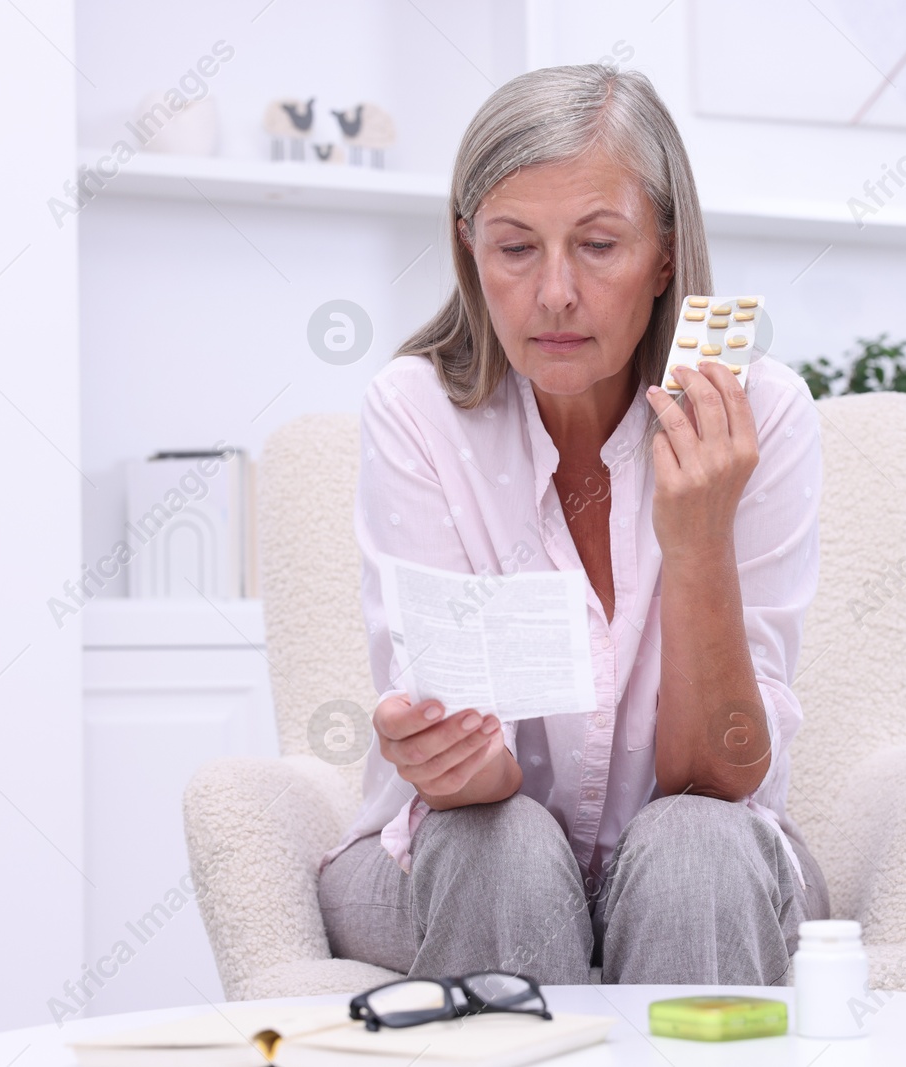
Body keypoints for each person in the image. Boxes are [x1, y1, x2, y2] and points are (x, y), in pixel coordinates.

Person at [316, 62, 829, 986]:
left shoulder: (765, 414)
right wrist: (449, 761)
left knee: (695, 848)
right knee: (501, 847)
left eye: (598, 245)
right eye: (516, 249)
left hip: (703, 863)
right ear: (468, 245)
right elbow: (474, 784)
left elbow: (722, 773)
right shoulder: (416, 412)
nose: (554, 293)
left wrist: (699, 536)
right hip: (454, 853)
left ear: (665, 251)